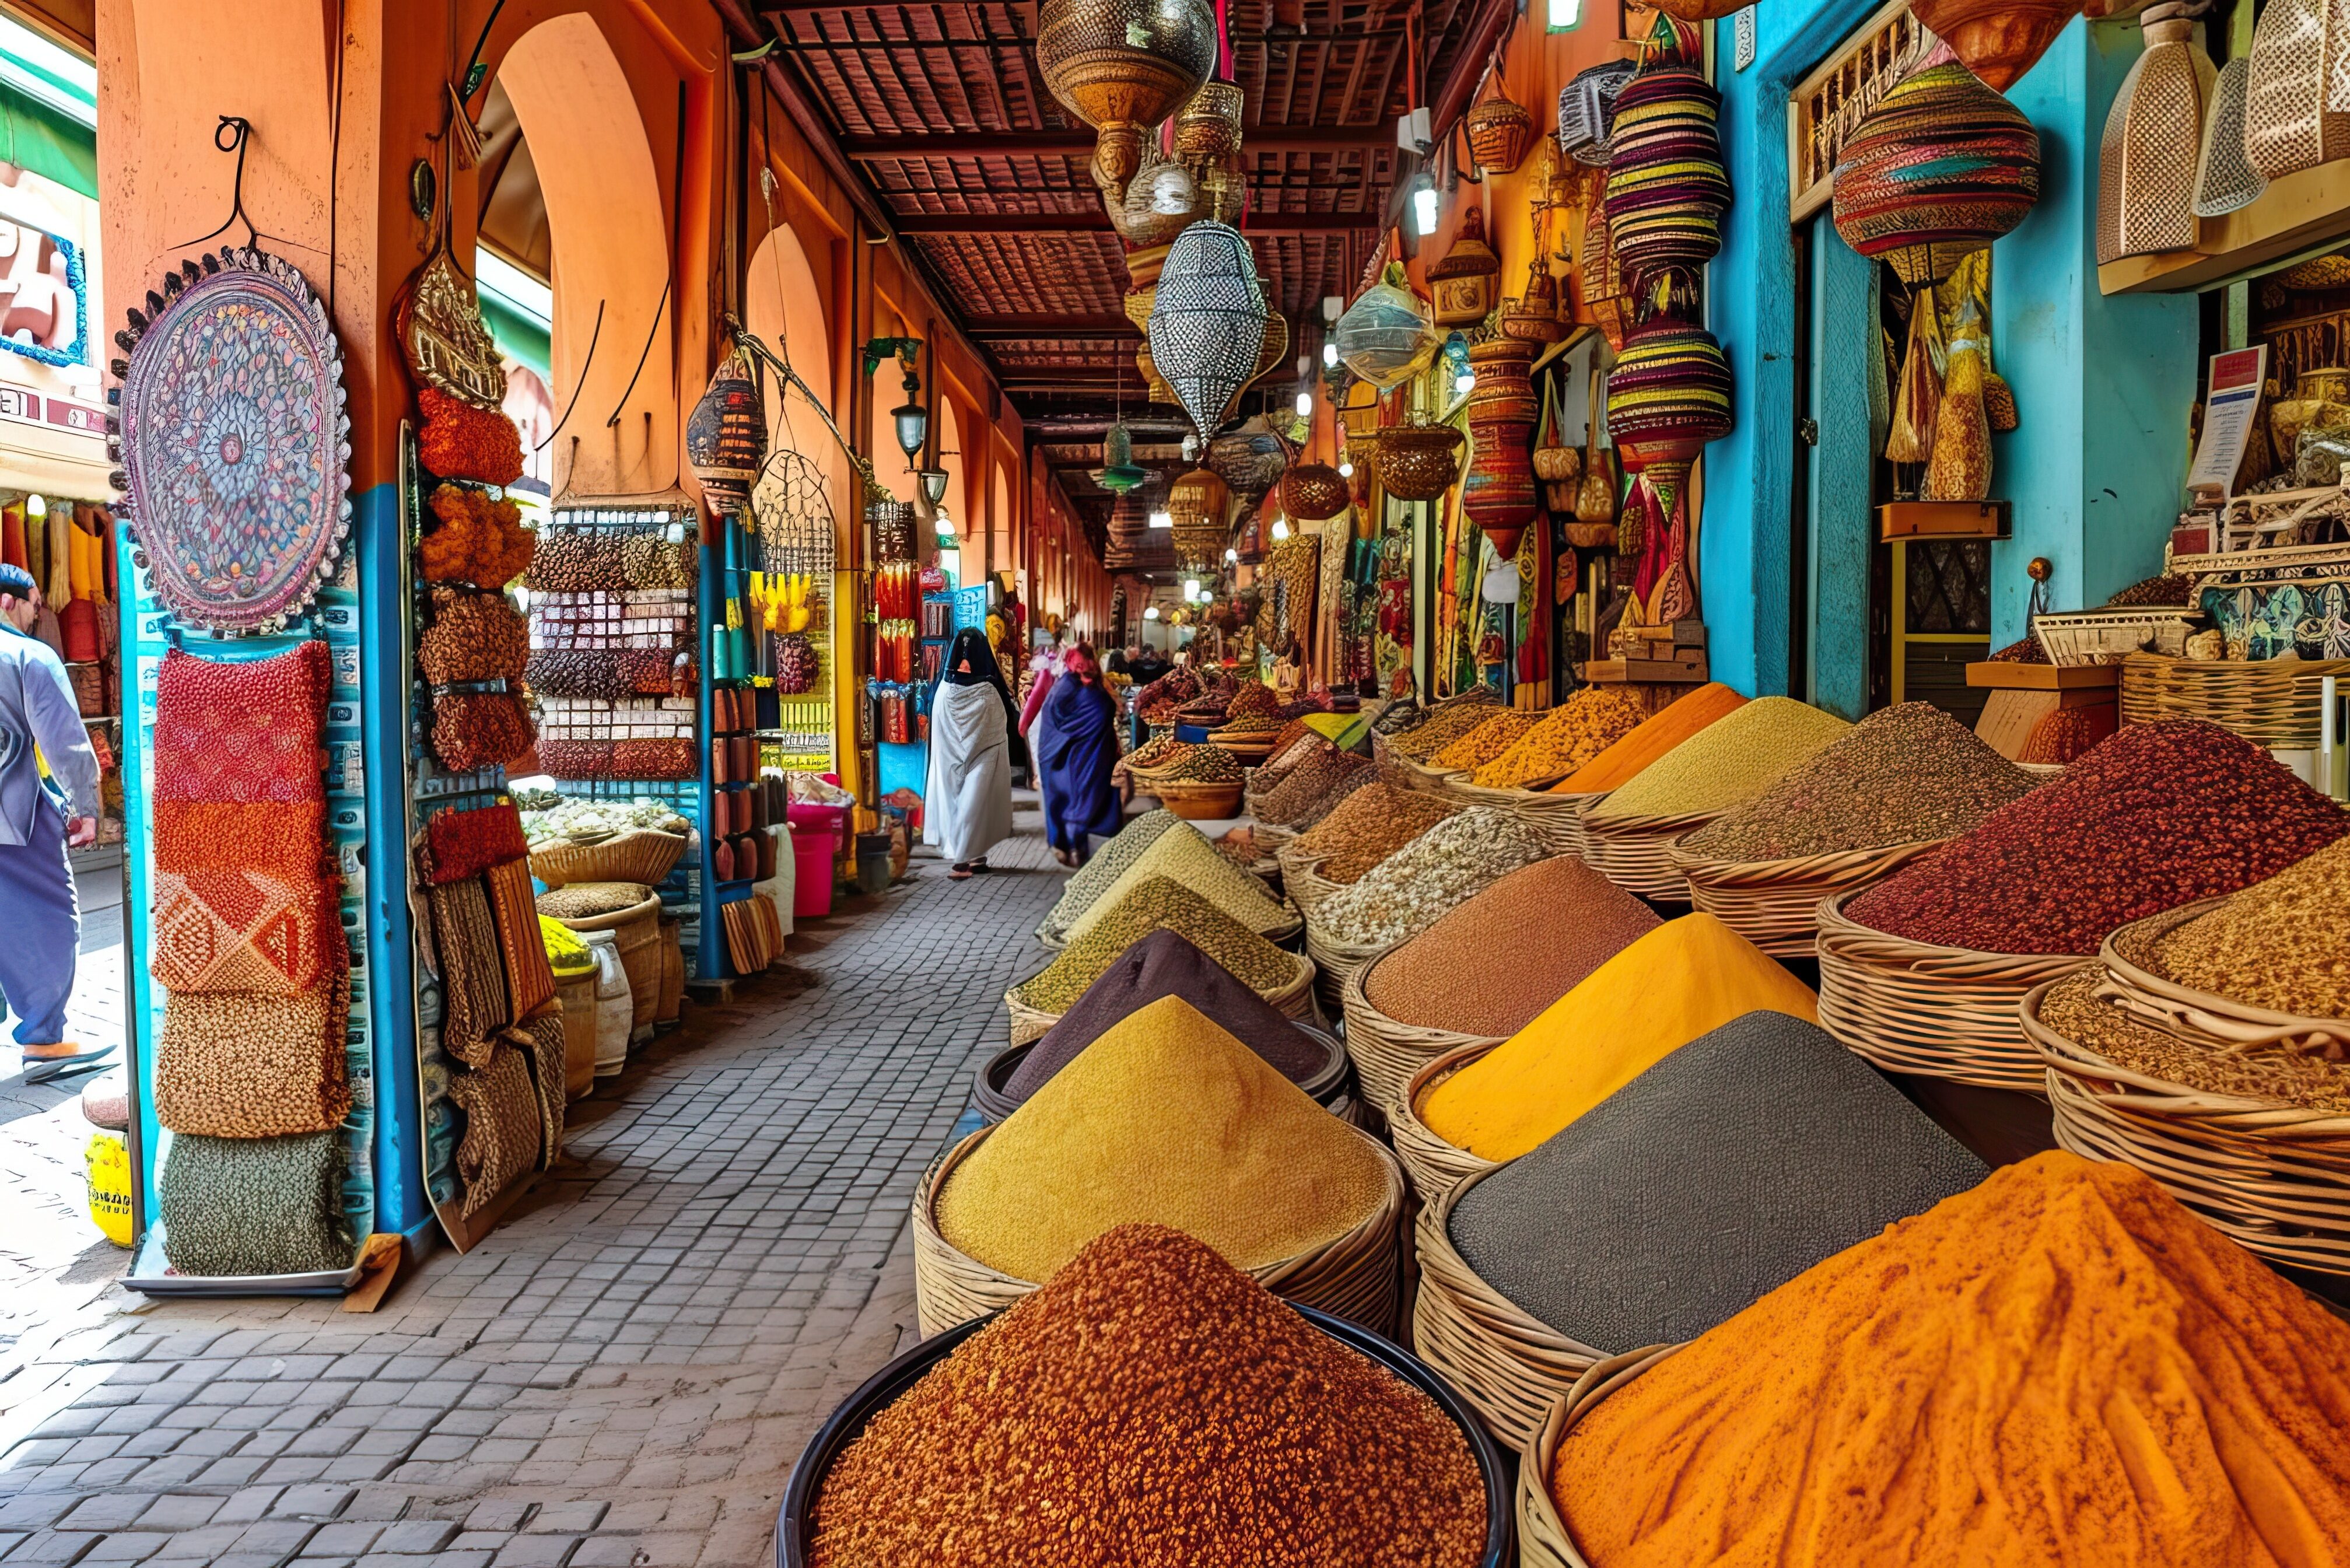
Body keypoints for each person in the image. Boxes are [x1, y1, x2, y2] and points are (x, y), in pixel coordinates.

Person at [0, 562, 103, 1083]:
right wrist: (87, 807)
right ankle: (45, 1041)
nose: (37, 616)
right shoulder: (27, 656)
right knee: (46, 918)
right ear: (6, 601)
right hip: (14, 815)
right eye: (34, 606)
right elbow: (63, 742)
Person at [925, 626, 1015, 880]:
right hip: (957, 758)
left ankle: (974, 858)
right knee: (971, 803)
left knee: (975, 804)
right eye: (961, 662)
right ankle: (962, 861)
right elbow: (1000, 725)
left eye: (969, 661)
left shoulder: (954, 691)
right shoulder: (974, 691)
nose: (964, 666)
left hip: (975, 757)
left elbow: (998, 727)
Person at [1031, 645, 1123, 868]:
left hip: (1092, 754)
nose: (1081, 667)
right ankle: (1074, 847)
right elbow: (1054, 717)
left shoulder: (1093, 688)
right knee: (1078, 800)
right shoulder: (1068, 686)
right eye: (1077, 663)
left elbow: (1104, 715)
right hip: (1074, 755)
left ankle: (1076, 847)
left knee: (1082, 800)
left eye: (1083, 663)